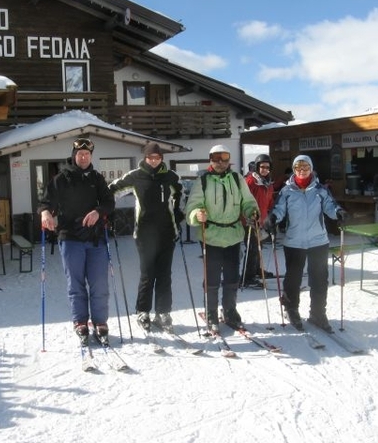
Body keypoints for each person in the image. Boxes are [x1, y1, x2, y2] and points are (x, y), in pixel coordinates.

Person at [38, 137, 115, 344]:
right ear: (74, 156)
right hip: (70, 238)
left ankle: (100, 322)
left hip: (95, 238)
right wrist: (45, 213)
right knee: (76, 283)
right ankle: (80, 321)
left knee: (99, 283)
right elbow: (46, 202)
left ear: (91, 156)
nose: (83, 157)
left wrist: (99, 212)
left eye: (87, 154)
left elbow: (109, 202)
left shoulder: (97, 179)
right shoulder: (61, 179)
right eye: (80, 154)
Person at [264, 154, 347, 332]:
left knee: (319, 279)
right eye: (298, 168)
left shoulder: (320, 190)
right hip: (294, 241)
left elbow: (330, 206)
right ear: (294, 170)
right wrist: (272, 218)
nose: (302, 171)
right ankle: (291, 308)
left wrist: (338, 212)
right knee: (293, 279)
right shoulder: (287, 191)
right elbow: (279, 209)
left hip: (318, 240)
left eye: (305, 168)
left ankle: (318, 313)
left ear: (311, 169)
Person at [109, 142, 183, 332]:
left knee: (165, 275)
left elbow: (180, 194)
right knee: (148, 275)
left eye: (157, 158)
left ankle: (163, 312)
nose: (154, 161)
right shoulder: (136, 176)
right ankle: (143, 311)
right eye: (151, 158)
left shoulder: (171, 177)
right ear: (145, 158)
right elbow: (112, 190)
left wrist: (178, 212)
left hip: (167, 233)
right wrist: (106, 210)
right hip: (144, 234)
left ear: (162, 158)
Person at [185, 144, 259, 330]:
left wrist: (252, 212)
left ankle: (230, 311)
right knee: (212, 278)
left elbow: (248, 201)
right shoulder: (203, 181)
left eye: (224, 158)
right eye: (216, 159)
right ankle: (211, 313)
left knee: (232, 276)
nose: (220, 163)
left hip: (233, 235)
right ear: (210, 159)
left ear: (228, 160)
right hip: (211, 236)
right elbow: (193, 205)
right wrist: (196, 215)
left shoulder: (236, 178)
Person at [242, 154, 275, 288]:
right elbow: (242, 200)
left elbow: (269, 202)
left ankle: (256, 270)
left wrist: (271, 216)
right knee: (252, 248)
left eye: (267, 167)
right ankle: (247, 277)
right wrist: (247, 216)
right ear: (257, 167)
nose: (265, 169)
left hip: (261, 221)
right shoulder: (251, 181)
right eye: (262, 167)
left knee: (257, 248)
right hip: (249, 221)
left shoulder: (268, 183)